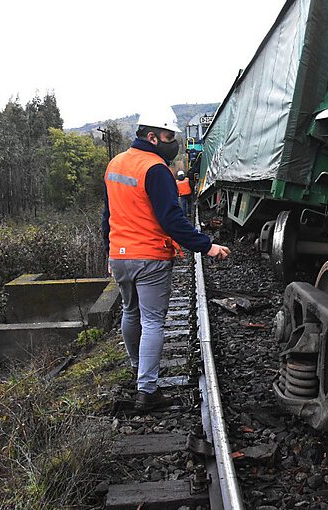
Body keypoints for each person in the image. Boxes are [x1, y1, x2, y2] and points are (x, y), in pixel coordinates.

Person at [102, 105, 230, 412]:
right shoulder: (155, 169)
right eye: (168, 135)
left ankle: (137, 368)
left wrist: (110, 250)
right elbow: (172, 220)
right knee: (153, 321)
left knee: (130, 313)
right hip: (148, 256)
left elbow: (108, 216)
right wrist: (206, 245)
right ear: (152, 136)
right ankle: (147, 391)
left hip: (120, 255)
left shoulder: (115, 163)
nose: (172, 141)